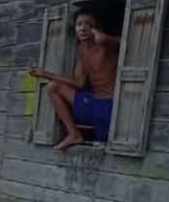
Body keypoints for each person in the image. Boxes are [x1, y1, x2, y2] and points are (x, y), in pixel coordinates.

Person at [28, 10, 120, 151]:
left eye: (88, 24)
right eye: (79, 24)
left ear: (98, 28)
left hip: (109, 106)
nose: (82, 28)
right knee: (53, 87)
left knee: (103, 143)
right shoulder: (81, 49)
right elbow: (79, 82)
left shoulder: (107, 46)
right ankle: (74, 134)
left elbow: (125, 41)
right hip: (92, 103)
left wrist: (106, 39)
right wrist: (45, 74)